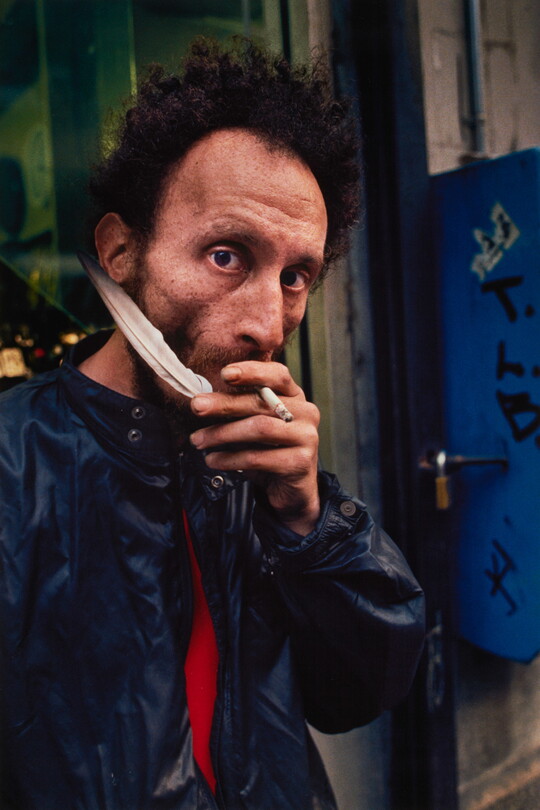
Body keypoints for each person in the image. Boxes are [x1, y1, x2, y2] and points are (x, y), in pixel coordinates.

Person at [0, 39, 424, 810]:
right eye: (227, 255)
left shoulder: (265, 477)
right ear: (119, 251)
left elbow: (360, 693)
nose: (267, 323)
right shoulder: (12, 463)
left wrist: (312, 522)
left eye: (295, 276)